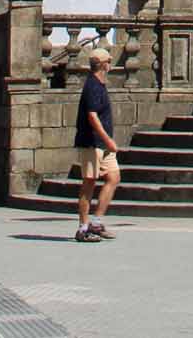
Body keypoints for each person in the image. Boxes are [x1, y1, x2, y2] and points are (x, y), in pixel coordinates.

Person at [72, 46, 119, 244]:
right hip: (92, 142)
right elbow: (92, 116)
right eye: (108, 61)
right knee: (89, 183)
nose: (110, 64)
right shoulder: (92, 85)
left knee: (113, 177)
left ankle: (97, 222)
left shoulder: (100, 84)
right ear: (102, 65)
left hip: (103, 144)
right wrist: (108, 140)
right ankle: (83, 228)